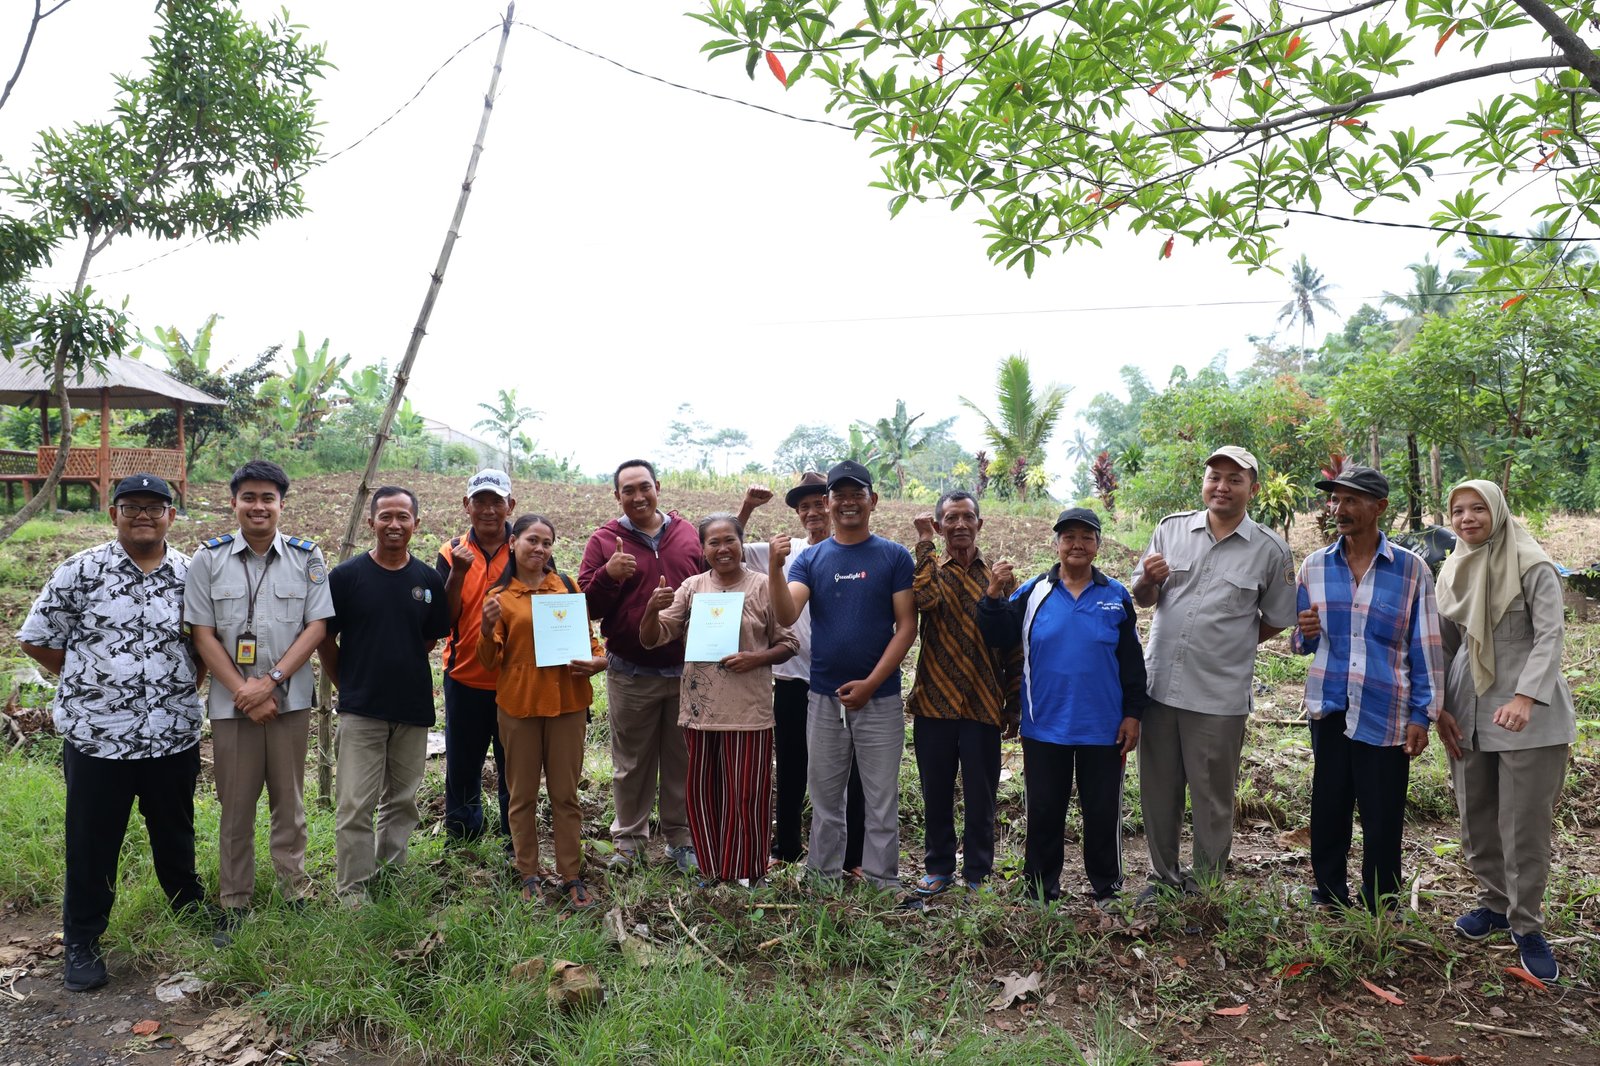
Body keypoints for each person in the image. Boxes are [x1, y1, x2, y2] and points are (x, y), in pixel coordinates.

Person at [17, 474, 210, 991]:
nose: (143, 515)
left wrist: (178, 686)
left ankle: (188, 909)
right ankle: (81, 940)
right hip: (98, 736)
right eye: (132, 507)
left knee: (175, 830)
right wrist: (90, 677)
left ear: (171, 514)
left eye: (154, 507)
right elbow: (37, 639)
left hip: (171, 732)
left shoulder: (194, 574)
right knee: (92, 842)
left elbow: (205, 647)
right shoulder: (80, 571)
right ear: (113, 514)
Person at [1129, 445, 1297, 899]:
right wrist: (1148, 578)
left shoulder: (1270, 550)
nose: (1221, 486)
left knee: (1212, 799)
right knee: (1158, 792)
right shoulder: (1171, 530)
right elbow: (1143, 597)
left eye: (1234, 479)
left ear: (1252, 489)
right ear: (1204, 482)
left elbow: (1277, 619)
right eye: (1214, 477)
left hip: (1218, 696)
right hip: (1160, 686)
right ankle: (1162, 878)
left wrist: (1232, 641)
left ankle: (1205, 887)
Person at [185, 460, 334, 938]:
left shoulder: (308, 558)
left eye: (267, 498)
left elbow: (317, 628)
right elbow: (202, 634)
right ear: (234, 503)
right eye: (248, 497)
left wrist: (267, 682)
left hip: (287, 701)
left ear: (281, 505)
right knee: (236, 805)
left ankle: (295, 890)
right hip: (232, 708)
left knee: (289, 803)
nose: (258, 506)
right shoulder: (207, 560)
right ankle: (234, 899)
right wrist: (244, 692)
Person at [1435, 480, 1575, 981]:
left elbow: (1551, 635)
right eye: (1458, 510)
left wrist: (1524, 697)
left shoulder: (1532, 564)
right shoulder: (1452, 568)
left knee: (1523, 823)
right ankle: (1493, 905)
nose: (1467, 518)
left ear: (1497, 510)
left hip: (1527, 714)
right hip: (1466, 709)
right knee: (1476, 812)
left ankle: (1528, 924)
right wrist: (1440, 706)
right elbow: (1446, 644)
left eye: (1477, 509)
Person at [1293, 465, 1442, 913]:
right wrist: (1306, 632)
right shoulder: (1314, 566)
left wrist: (1423, 714)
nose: (1340, 509)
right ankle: (1329, 894)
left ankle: (1381, 902)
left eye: (1352, 500)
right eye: (1336, 500)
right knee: (1329, 806)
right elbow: (1302, 644)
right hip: (1331, 703)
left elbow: (1427, 646)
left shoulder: (1411, 570)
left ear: (1379, 508)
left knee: (1382, 815)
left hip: (1386, 706)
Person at [979, 508, 1145, 905]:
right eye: (1069, 537)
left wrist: (1133, 715)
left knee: (1103, 813)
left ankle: (1107, 887)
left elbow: (1133, 663)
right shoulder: (1034, 592)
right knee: (1045, 812)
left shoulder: (1116, 596)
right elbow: (998, 633)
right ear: (1056, 545)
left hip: (1104, 728)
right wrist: (992, 594)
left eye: (1086, 537)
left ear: (1097, 545)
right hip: (1044, 725)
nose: (1077, 545)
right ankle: (1040, 889)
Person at [769, 460, 916, 889]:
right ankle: (823, 876)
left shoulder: (893, 556)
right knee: (826, 796)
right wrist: (776, 569)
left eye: (857, 494)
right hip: (823, 698)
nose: (848, 502)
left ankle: (881, 880)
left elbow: (907, 626)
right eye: (840, 495)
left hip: (882, 697)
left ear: (872, 500)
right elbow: (786, 612)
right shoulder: (811, 559)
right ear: (830, 503)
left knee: (881, 798)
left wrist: (871, 683)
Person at [642, 513, 798, 884]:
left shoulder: (763, 585)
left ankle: (750, 871)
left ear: (742, 543)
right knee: (702, 796)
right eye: (714, 542)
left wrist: (755, 658)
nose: (723, 549)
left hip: (749, 711)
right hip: (701, 712)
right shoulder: (692, 587)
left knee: (748, 797)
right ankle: (712, 869)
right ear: (703, 549)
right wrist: (651, 609)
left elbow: (789, 643)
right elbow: (654, 637)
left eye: (730, 540)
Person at [319, 486, 450, 905]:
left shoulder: (429, 579)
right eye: (386, 516)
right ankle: (353, 890)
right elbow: (325, 639)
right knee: (355, 804)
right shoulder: (346, 577)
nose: (394, 525)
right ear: (371, 522)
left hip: (412, 709)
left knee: (402, 800)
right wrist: (348, 685)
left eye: (403, 517)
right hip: (361, 710)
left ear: (416, 523)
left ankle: (390, 875)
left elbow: (428, 639)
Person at [579, 459, 706, 872]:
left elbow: (712, 582)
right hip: (630, 671)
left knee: (680, 760)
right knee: (630, 762)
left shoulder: (687, 533)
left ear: (658, 487)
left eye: (644, 487)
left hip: (685, 671)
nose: (637, 496)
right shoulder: (604, 540)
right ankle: (629, 841)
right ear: (617, 496)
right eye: (627, 490)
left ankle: (679, 838)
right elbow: (586, 606)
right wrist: (608, 575)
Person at [477, 513, 607, 910]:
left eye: (547, 542)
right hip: (519, 706)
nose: (540, 549)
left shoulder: (566, 588)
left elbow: (591, 645)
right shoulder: (499, 597)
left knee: (566, 795)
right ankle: (528, 872)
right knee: (522, 795)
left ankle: (571, 874)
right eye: (532, 540)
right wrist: (485, 629)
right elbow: (488, 662)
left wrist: (598, 662)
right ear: (513, 542)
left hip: (568, 704)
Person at [739, 473, 868, 872]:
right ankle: (787, 846)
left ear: (831, 506)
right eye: (804, 507)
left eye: (818, 504)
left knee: (851, 771)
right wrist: (746, 508)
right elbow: (726, 547)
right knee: (792, 765)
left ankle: (853, 856)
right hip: (794, 680)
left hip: (843, 681)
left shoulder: (856, 551)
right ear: (798, 515)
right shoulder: (787, 551)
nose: (812, 512)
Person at [904, 490, 1021, 898]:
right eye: (950, 518)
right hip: (934, 701)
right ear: (938, 526)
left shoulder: (1000, 577)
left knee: (981, 795)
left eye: (967, 517)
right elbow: (924, 600)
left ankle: (977, 873)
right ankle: (938, 868)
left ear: (979, 524)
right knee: (935, 792)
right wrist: (923, 545)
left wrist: (1013, 702)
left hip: (983, 703)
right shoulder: (929, 569)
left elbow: (1013, 646)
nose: (959, 525)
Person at [436, 469, 517, 847]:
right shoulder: (451, 552)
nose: (488, 510)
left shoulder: (524, 547)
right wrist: (458, 571)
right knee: (463, 762)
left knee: (513, 765)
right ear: (466, 505)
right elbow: (444, 618)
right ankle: (463, 837)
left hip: (513, 679)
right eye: (480, 501)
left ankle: (514, 836)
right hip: (464, 676)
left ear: (510, 506)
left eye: (496, 501)